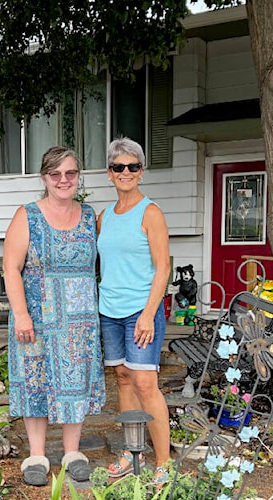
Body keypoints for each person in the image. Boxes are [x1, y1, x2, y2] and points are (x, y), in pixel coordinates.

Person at [3, 146, 105, 486]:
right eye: (56, 174)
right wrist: (20, 314)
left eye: (71, 173)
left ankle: (72, 451)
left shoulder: (90, 216)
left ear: (78, 176)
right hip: (37, 317)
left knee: (75, 381)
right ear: (45, 178)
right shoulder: (27, 215)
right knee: (36, 380)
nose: (64, 180)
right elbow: (11, 268)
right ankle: (37, 455)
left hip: (79, 321)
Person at [97, 137, 172, 481]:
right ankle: (130, 451)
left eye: (132, 166)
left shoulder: (151, 212)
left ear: (142, 172)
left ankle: (163, 463)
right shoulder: (104, 217)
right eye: (118, 167)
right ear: (109, 173)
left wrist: (147, 313)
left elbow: (163, 268)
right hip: (109, 311)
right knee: (123, 379)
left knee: (145, 383)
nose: (125, 172)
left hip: (141, 312)